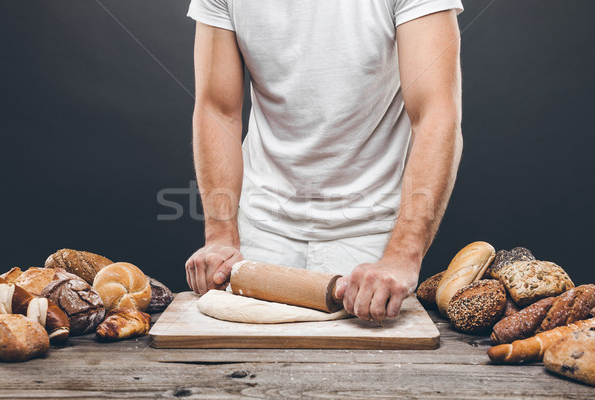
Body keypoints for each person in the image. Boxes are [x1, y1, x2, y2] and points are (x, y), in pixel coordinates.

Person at [184, 0, 464, 322]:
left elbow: (436, 113)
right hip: (259, 236)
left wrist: (402, 256)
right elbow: (218, 109)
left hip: (371, 241)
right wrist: (220, 236)